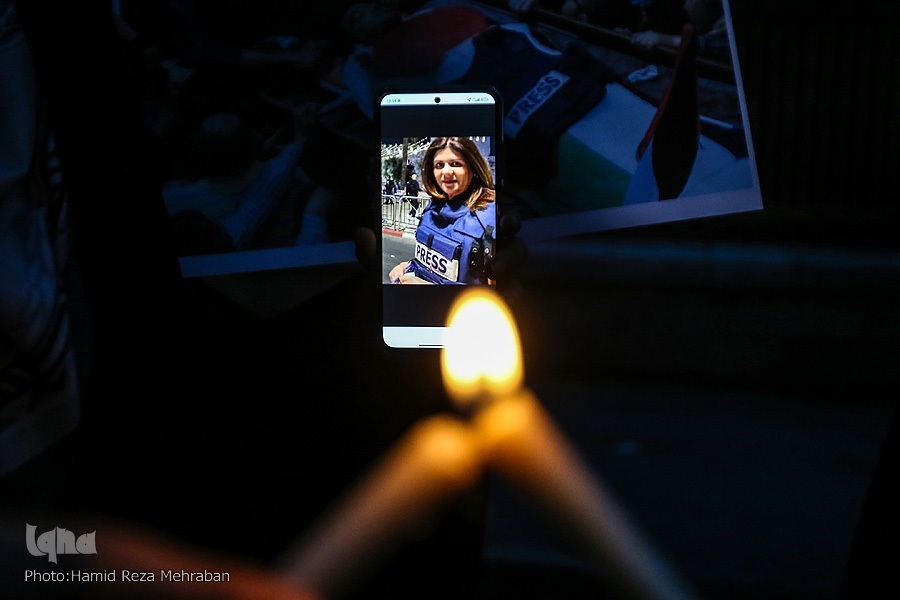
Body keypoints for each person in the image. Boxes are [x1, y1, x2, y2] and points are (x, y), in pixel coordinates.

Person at [389, 137, 496, 285]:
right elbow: (429, 264)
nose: (446, 172)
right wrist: (407, 267)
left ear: (473, 168)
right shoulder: (432, 207)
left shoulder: (490, 217)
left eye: (455, 164)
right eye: (439, 165)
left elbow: (498, 295)